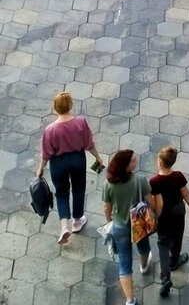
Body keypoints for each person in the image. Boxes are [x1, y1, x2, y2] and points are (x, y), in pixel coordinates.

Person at [35, 91, 103, 246]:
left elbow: (46, 153)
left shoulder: (50, 130)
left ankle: (64, 225)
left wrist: (40, 169)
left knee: (61, 193)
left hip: (58, 163)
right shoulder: (80, 122)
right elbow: (89, 143)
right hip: (77, 160)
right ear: (70, 105)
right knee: (78, 189)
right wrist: (97, 157)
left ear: (55, 108)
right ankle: (77, 220)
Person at [102, 149, 155, 303]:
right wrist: (153, 211)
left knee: (124, 263)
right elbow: (150, 202)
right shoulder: (140, 180)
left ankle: (130, 300)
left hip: (119, 226)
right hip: (138, 222)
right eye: (132, 160)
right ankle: (144, 266)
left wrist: (109, 221)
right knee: (144, 246)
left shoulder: (109, 184)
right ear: (125, 166)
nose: (136, 161)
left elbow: (107, 207)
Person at [149, 145, 189, 299]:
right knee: (177, 236)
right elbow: (186, 194)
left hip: (164, 214)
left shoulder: (154, 181)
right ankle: (175, 260)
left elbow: (158, 202)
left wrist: (155, 216)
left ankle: (165, 278)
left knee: (163, 243)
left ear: (160, 162)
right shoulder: (178, 176)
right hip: (178, 210)